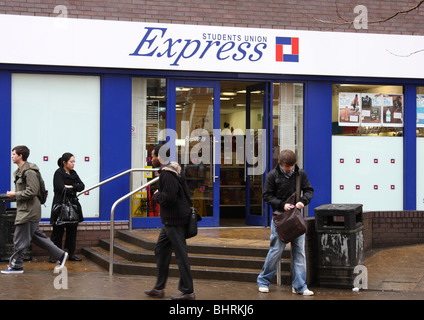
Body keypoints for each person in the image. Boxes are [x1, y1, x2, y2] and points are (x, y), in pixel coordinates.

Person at [2, 145, 68, 274]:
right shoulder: (20, 171)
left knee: (19, 239)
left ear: (21, 156)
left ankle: (16, 266)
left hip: (29, 211)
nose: (12, 156)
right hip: (26, 209)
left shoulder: (30, 172)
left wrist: (14, 194)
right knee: (38, 237)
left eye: (14, 154)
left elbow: (32, 192)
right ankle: (60, 255)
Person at [257, 149, 314, 295]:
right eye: (287, 167)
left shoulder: (301, 174)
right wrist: (282, 204)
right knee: (276, 251)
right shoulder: (272, 175)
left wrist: (303, 201)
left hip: (295, 218)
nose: (290, 169)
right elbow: (266, 195)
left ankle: (300, 286)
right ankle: (263, 281)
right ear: (280, 164)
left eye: (292, 166)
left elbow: (309, 191)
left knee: (299, 252)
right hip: (280, 219)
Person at [144, 144, 195, 300]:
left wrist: (157, 195)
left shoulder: (167, 174)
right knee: (160, 250)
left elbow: (170, 198)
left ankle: (188, 292)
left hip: (175, 220)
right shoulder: (174, 170)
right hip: (170, 221)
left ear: (159, 157)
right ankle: (159, 288)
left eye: (152, 156)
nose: (151, 159)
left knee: (181, 255)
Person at [49, 153, 85, 262]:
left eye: (74, 161)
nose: (73, 164)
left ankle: (71, 254)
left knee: (72, 231)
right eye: (71, 162)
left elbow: (82, 186)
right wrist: (73, 188)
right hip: (61, 206)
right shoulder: (58, 173)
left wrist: (71, 186)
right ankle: (54, 255)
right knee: (58, 232)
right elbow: (60, 188)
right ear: (64, 163)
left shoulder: (73, 173)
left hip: (73, 206)